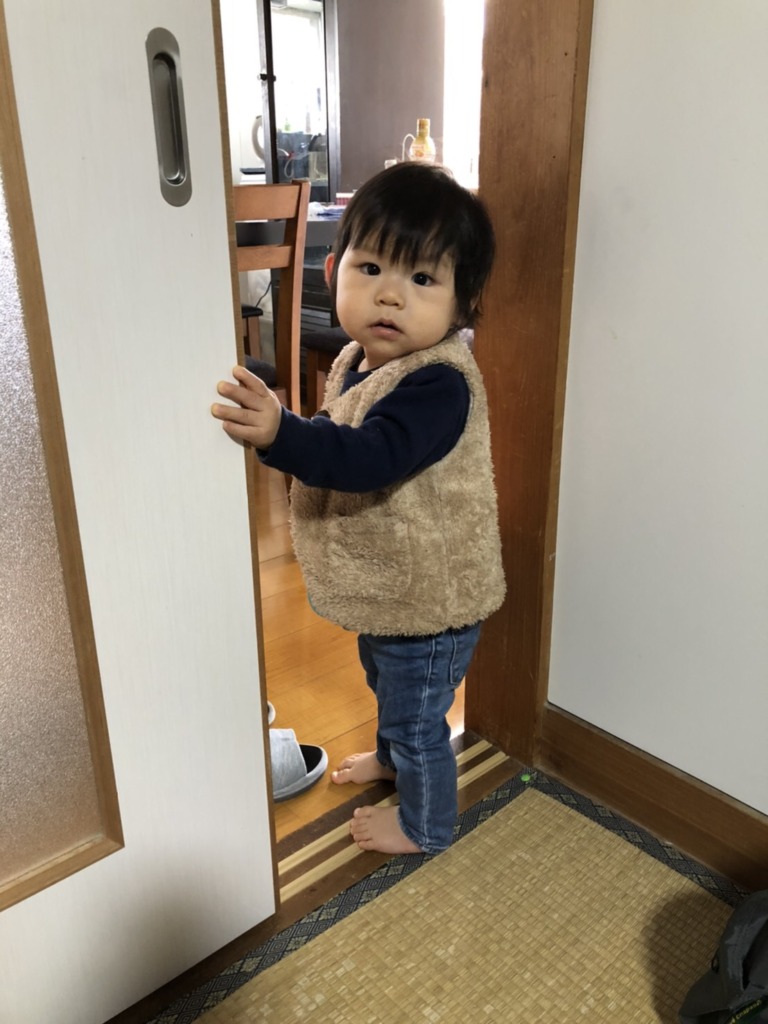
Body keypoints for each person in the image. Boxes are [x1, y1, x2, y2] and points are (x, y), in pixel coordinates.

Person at [211, 162, 505, 856]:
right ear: (332, 271)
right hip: (394, 587)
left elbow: (372, 456)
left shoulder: (439, 385)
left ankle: (426, 825)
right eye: (371, 268)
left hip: (433, 598)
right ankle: (394, 758)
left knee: (417, 714)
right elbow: (340, 433)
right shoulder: (355, 360)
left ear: (463, 305)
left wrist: (283, 433)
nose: (390, 295)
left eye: (423, 279)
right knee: (386, 682)